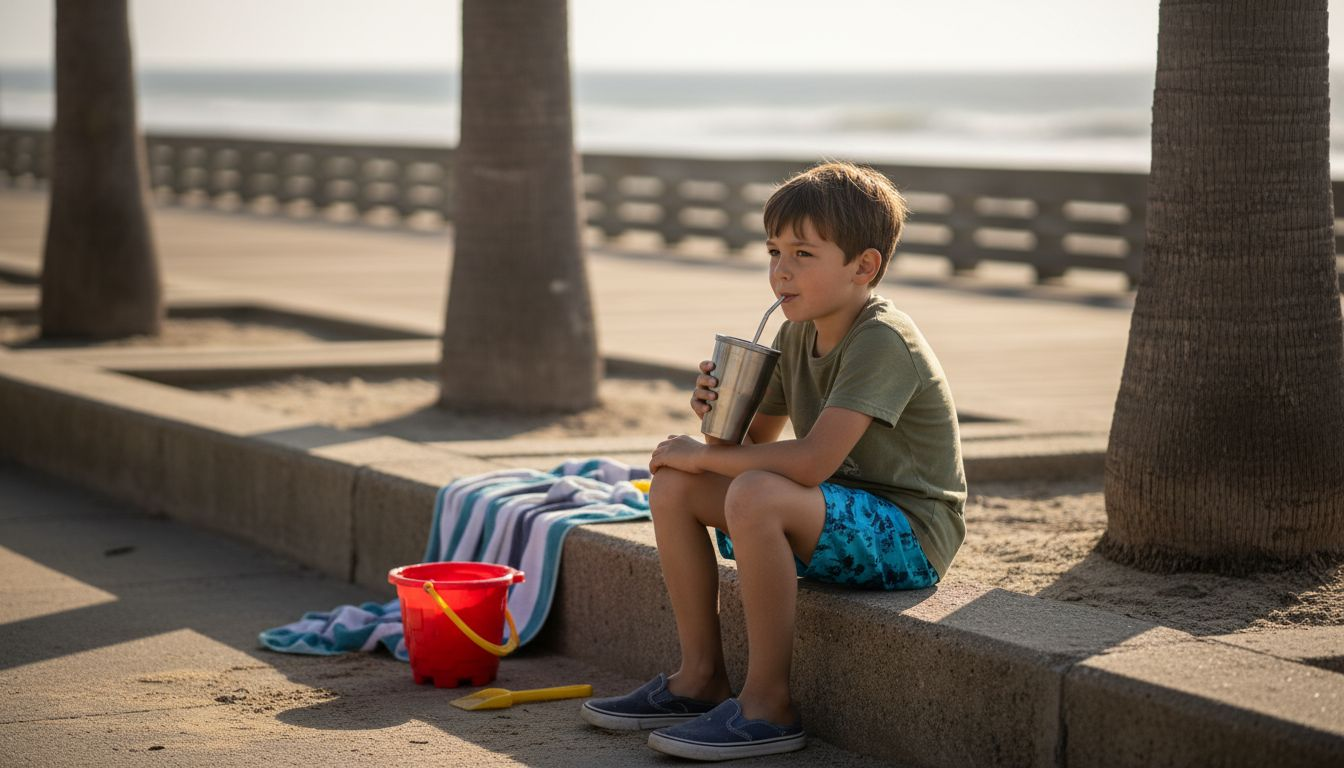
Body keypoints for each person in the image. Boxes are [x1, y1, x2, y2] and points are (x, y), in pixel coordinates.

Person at [580, 161, 966, 761]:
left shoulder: (881, 339)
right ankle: (700, 678)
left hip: (908, 535)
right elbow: (744, 454)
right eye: (773, 251)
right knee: (676, 486)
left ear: (864, 267)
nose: (780, 270)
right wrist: (715, 417)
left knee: (751, 491)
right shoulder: (795, 334)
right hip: (830, 518)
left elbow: (809, 463)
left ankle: (769, 705)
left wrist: (707, 458)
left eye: (804, 254)